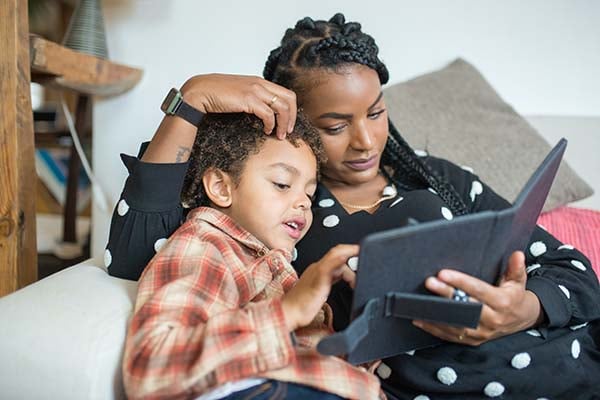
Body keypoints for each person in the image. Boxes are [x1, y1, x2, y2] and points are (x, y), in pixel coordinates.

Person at [107, 13, 600, 400]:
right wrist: (191, 100)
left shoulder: (436, 178)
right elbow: (133, 254)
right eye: (336, 126)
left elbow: (574, 271)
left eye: (377, 112)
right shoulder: (280, 213)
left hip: (577, 368)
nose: (366, 141)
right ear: (292, 122)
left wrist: (525, 309)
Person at [122, 111, 383, 400]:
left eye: (309, 195)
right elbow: (153, 369)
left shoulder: (267, 262)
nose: (302, 204)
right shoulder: (207, 245)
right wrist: (289, 312)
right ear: (221, 188)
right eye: (282, 184)